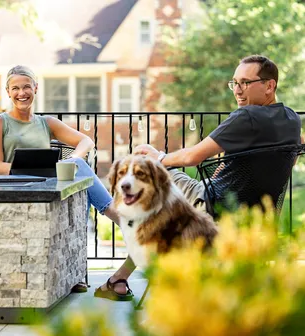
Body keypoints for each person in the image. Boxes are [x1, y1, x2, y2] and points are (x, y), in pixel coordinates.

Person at [97, 55, 302, 299]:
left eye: (245, 83)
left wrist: (159, 157)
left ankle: (125, 247)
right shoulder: (291, 119)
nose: (237, 90)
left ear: (269, 86)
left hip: (213, 205)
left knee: (153, 177)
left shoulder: (246, 117)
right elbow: (292, 156)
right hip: (258, 214)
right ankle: (121, 275)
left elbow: (191, 157)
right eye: (234, 83)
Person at [0, 65, 128, 298]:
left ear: (36, 88)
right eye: (16, 88)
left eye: (27, 87)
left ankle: (77, 270)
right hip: (15, 185)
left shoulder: (46, 122)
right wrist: (31, 169)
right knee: (80, 178)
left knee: (79, 171)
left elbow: (86, 141)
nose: (22, 93)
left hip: (48, 184)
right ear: (8, 92)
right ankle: (119, 217)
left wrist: (70, 161)